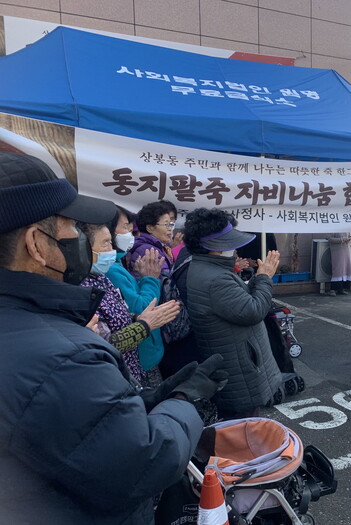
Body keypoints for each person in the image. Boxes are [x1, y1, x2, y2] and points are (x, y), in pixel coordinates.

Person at [0, 152, 228, 524]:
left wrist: (149, 399)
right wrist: (185, 400)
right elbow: (145, 461)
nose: (80, 239)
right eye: (72, 228)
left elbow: (72, 428)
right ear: (36, 244)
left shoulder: (32, 327)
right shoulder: (64, 357)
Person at [185, 208, 283, 419]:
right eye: (229, 243)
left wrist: (257, 278)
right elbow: (253, 311)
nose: (234, 248)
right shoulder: (216, 279)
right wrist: (264, 277)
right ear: (213, 248)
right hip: (239, 368)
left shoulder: (207, 268)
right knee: (244, 426)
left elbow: (241, 301)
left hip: (233, 361)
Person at [80, 221, 180, 385]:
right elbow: (104, 344)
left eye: (111, 242)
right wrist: (145, 324)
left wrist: (137, 317)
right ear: (83, 249)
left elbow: (119, 313)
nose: (111, 249)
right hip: (116, 377)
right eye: (105, 243)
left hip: (134, 368)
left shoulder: (101, 277)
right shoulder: (83, 289)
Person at [106, 205, 171, 379]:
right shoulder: (111, 269)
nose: (131, 233)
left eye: (131, 227)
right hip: (142, 357)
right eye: (125, 227)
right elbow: (142, 309)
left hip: (147, 351)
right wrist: (150, 279)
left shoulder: (117, 262)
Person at [128, 199, 177, 279]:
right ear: (150, 228)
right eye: (166, 224)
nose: (170, 229)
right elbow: (165, 280)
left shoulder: (159, 246)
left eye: (170, 224)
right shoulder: (149, 251)